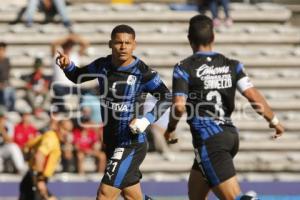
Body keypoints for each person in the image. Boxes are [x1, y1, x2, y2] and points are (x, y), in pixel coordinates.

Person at [164, 15, 284, 200]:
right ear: (213, 38)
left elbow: (179, 107)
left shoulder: (184, 67)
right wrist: (274, 121)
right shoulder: (232, 65)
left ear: (189, 39)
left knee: (234, 198)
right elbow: (253, 96)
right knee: (195, 196)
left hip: (210, 139)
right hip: (229, 136)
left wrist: (170, 129)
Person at [56, 24, 171, 200]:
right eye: (118, 42)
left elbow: (166, 97)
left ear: (134, 45)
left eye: (127, 43)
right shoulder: (103, 65)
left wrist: (145, 120)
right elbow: (78, 76)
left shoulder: (143, 72)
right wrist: (68, 66)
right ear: (110, 44)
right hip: (111, 141)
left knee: (104, 195)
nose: (123, 47)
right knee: (132, 196)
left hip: (131, 142)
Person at [19, 119, 73, 200]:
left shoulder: (54, 138)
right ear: (57, 127)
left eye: (68, 131)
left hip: (34, 178)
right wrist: (40, 180)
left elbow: (29, 147)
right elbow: (39, 155)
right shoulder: (51, 139)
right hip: (35, 178)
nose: (66, 133)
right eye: (64, 129)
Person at [51, 34, 89, 113]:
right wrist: (67, 38)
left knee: (86, 92)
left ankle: (78, 109)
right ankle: (64, 110)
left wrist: (73, 38)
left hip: (73, 86)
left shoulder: (75, 55)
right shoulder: (57, 56)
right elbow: (54, 44)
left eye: (70, 45)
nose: (69, 47)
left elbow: (85, 44)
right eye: (67, 45)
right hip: (59, 86)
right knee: (58, 91)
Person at [0, 42, 15, 111]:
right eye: (1, 50)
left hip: (6, 84)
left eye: (3, 50)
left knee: (11, 91)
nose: (2, 52)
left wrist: (6, 84)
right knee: (6, 92)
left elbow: (7, 75)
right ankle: (5, 111)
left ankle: (11, 110)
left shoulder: (7, 61)